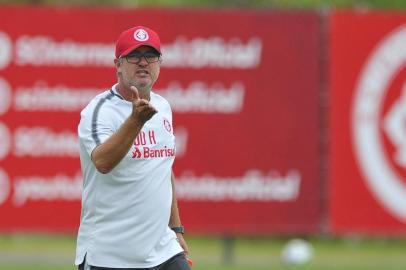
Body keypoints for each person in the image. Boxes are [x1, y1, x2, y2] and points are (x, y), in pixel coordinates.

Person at [75, 26, 191, 270]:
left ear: (159, 63)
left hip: (163, 251)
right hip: (110, 255)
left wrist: (176, 229)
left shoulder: (162, 107)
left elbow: (163, 168)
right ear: (118, 64)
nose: (143, 63)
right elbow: (103, 162)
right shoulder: (100, 110)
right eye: (134, 56)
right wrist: (135, 121)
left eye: (150, 56)